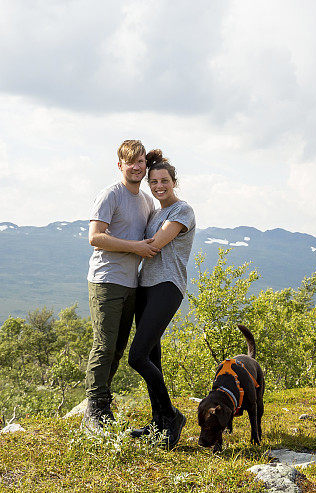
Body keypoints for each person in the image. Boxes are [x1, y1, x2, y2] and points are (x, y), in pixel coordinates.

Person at [84, 139, 158, 431]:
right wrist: (134, 248)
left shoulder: (146, 201)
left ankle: (102, 405)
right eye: (132, 162)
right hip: (106, 280)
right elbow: (95, 237)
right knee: (104, 345)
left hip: (131, 284)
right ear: (121, 166)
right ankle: (94, 409)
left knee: (116, 349)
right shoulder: (110, 195)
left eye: (141, 162)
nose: (137, 167)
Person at [127, 149, 195, 449]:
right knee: (152, 357)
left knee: (137, 356)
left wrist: (111, 243)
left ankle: (170, 416)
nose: (158, 187)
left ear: (174, 182)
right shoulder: (154, 212)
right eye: (153, 182)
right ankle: (158, 422)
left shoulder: (183, 211)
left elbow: (154, 245)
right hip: (145, 286)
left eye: (164, 181)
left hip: (167, 287)